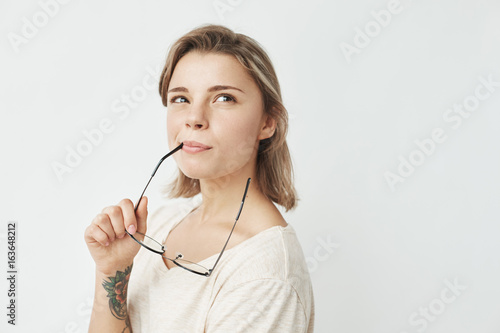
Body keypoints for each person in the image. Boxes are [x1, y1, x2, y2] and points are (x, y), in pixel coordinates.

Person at [84, 24, 314, 332]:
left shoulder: (265, 275)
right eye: (181, 98)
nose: (194, 118)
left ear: (267, 122)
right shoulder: (160, 226)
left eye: (223, 98)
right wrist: (113, 270)